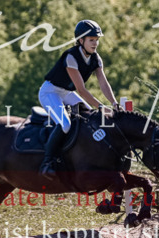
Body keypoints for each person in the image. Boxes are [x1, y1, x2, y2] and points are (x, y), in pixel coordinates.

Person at [38, 20, 118, 179]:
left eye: (97, 40)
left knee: (90, 117)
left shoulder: (96, 58)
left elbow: (103, 83)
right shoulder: (71, 57)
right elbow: (81, 90)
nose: (95, 43)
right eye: (91, 40)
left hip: (66, 92)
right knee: (65, 124)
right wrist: (101, 107)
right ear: (81, 40)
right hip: (50, 92)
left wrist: (114, 103)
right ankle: (47, 163)